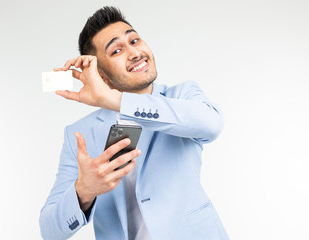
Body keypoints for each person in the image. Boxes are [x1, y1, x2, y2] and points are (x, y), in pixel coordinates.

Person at [39, 6, 229, 240]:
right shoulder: (79, 134)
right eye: (117, 50)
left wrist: (115, 100)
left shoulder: (182, 95)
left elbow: (211, 125)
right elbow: (49, 231)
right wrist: (84, 191)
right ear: (102, 76)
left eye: (135, 40)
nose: (135, 52)